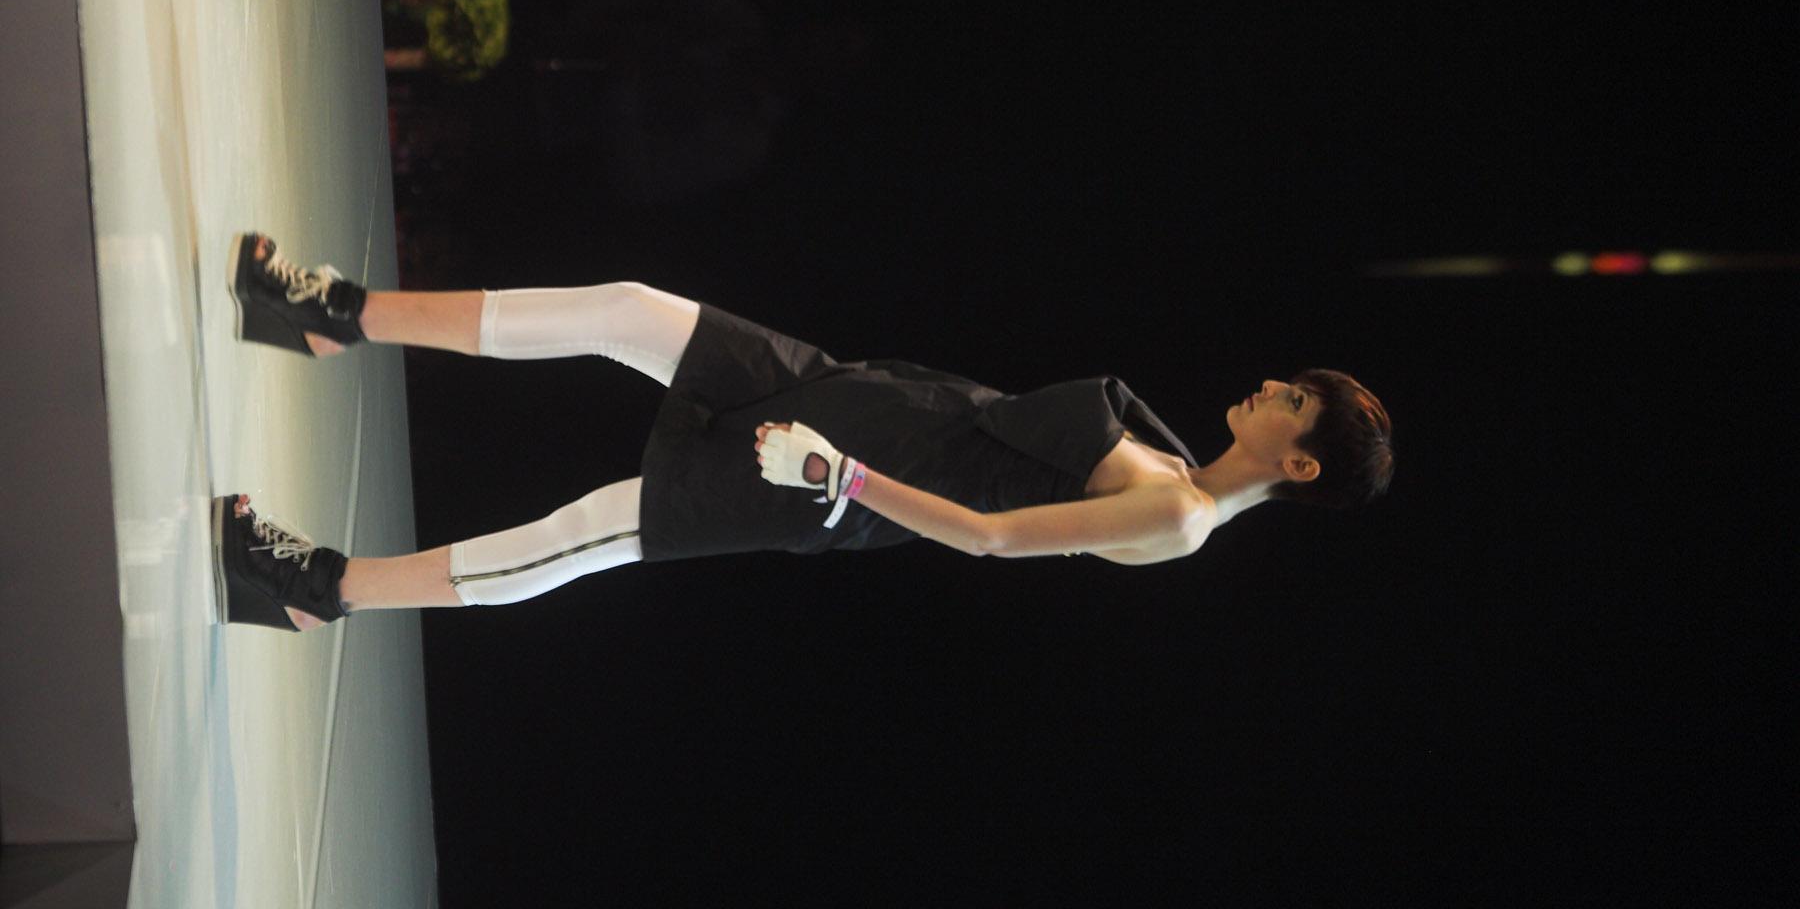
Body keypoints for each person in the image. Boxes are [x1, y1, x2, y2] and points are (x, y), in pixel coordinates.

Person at [213, 232, 1395, 632]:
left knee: (588, 531)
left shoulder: (1180, 516)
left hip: (836, 477)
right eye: (1292, 383)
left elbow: (988, 538)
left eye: (1293, 400)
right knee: (623, 309)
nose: (1271, 387)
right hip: (848, 395)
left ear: (1300, 462)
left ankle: (319, 588)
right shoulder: (1174, 458)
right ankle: (338, 313)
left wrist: (845, 477)